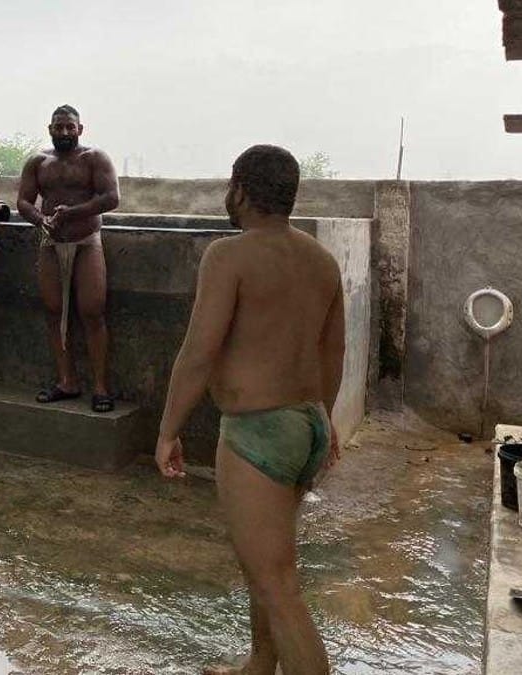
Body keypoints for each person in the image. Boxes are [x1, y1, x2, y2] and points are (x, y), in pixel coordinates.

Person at [154, 145, 344, 675]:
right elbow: (334, 352)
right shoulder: (321, 260)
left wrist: (168, 430)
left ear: (240, 190)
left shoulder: (229, 256)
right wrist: (326, 420)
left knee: (278, 584)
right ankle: (259, 664)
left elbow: (199, 352)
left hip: (259, 430)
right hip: (307, 423)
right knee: (265, 562)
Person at [16, 105, 120, 412]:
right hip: (51, 242)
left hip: (87, 242)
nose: (64, 132)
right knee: (53, 311)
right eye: (59, 127)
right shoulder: (38, 161)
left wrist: (72, 213)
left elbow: (111, 198)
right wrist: (40, 219)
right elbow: (23, 201)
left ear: (80, 129)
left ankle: (100, 387)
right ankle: (67, 381)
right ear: (50, 129)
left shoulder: (94, 158)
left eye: (69, 127)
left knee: (92, 312)